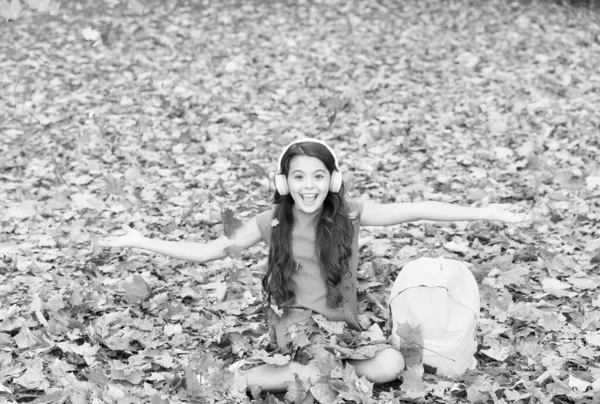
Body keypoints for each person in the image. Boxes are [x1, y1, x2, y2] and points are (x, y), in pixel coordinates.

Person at [98, 138, 529, 392]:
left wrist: (487, 212)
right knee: (323, 372)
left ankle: (300, 376)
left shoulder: (350, 215)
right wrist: (142, 241)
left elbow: (416, 209)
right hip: (297, 322)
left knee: (391, 366)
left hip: (342, 324)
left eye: (319, 176)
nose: (310, 186)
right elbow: (209, 250)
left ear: (333, 180)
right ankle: (254, 377)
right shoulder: (270, 221)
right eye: (299, 177)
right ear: (285, 183)